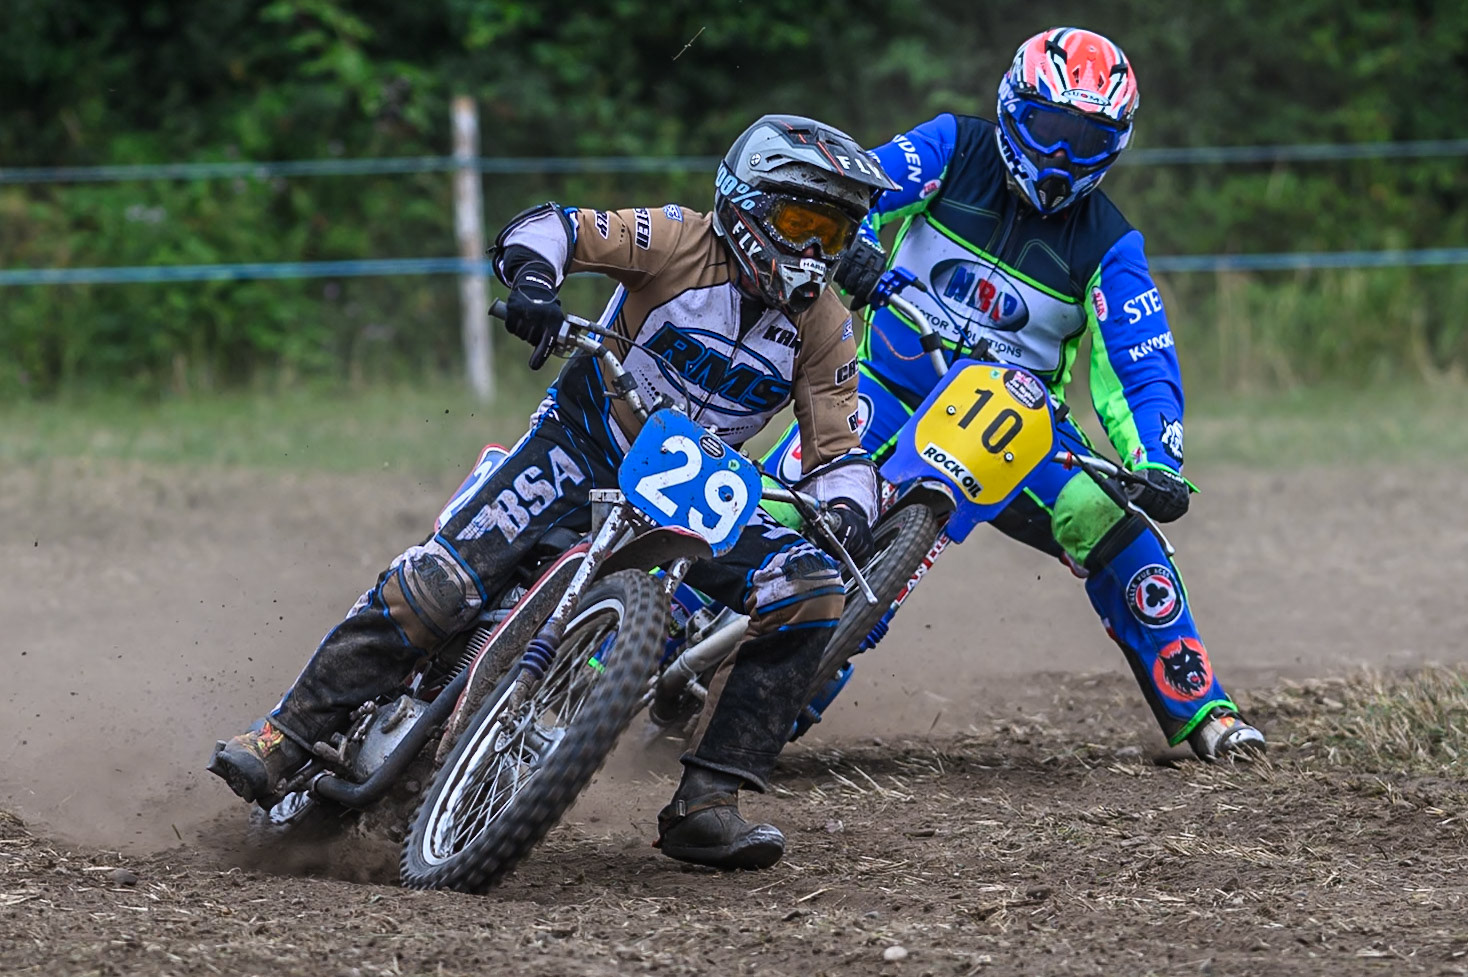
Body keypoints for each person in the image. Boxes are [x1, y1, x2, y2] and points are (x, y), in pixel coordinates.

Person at [207, 114, 899, 870]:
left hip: (698, 496)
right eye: (799, 221)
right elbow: (557, 227)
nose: (810, 251)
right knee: (438, 588)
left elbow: (838, 445)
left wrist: (848, 509)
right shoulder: (675, 238)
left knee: (810, 588)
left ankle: (707, 801)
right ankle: (285, 733)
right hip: (581, 445)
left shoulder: (824, 323)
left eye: (831, 235)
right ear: (745, 205)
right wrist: (536, 282)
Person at [820, 27, 1266, 760]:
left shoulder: (1110, 241)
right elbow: (855, 186)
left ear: (1114, 147)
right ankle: (646, 640)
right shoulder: (952, 146)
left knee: (1112, 520)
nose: (1060, 156)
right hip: (885, 386)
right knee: (778, 504)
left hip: (1014, 426)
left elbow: (1140, 359)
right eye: (1048, 129)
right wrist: (857, 247)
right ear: (1009, 109)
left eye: (1084, 140)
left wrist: (1157, 460)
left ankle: (1203, 709)